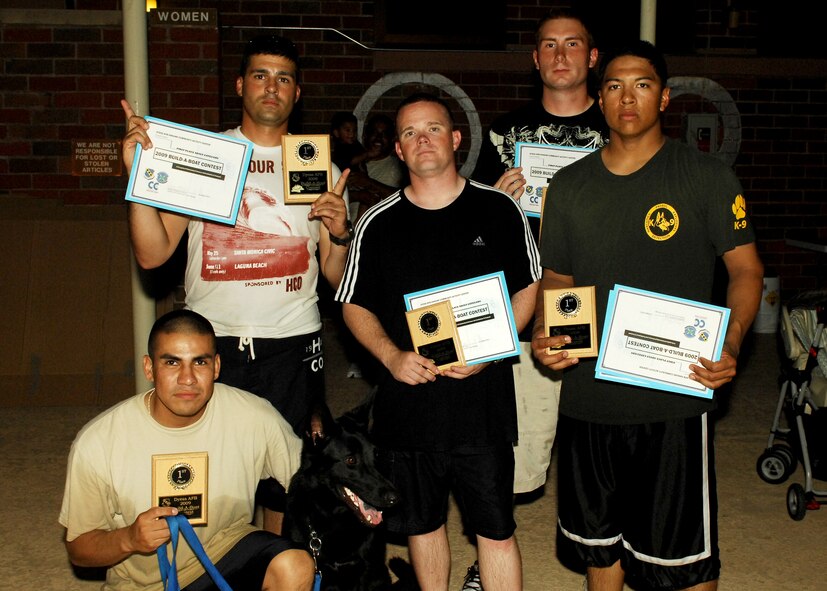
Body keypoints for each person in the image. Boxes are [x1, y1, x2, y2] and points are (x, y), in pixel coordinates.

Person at [531, 40, 764, 591]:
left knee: (683, 561)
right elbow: (558, 279)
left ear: (663, 98)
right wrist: (547, 330)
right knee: (599, 550)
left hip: (673, 398)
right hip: (589, 400)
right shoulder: (569, 185)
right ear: (600, 98)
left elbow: (746, 271)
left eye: (642, 85)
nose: (627, 97)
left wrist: (731, 341)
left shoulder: (706, 177)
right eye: (614, 86)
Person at [121, 34, 352, 533]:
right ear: (241, 85)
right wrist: (139, 180)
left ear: (297, 93)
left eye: (284, 78)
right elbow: (153, 252)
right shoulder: (210, 157)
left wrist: (339, 233)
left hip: (292, 344)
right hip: (215, 342)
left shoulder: (318, 165)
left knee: (287, 481)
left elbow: (335, 275)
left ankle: (274, 566)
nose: (272, 87)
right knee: (210, 478)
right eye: (261, 75)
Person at [336, 92, 541, 591]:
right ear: (399, 151)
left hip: (482, 407)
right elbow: (353, 303)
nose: (422, 139)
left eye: (432, 128)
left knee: (496, 531)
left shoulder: (499, 209)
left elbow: (528, 288)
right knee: (422, 526)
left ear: (455, 138)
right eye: (409, 132)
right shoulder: (376, 223)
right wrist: (391, 356)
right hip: (409, 407)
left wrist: (490, 350)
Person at [59, 309, 314, 591]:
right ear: (149, 368)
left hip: (227, 551)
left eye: (200, 362)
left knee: (294, 565)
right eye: (172, 362)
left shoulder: (254, 417)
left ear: (216, 367)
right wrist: (129, 539)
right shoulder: (99, 441)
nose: (187, 378)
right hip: (147, 583)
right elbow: (79, 549)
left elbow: (315, 484)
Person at [472, 7, 611, 505]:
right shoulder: (504, 132)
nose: (560, 54)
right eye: (549, 44)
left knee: (603, 439)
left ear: (592, 57)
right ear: (535, 58)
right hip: (528, 292)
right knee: (526, 445)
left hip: (603, 293)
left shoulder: (619, 129)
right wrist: (494, 199)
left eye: (572, 44)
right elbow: (473, 225)